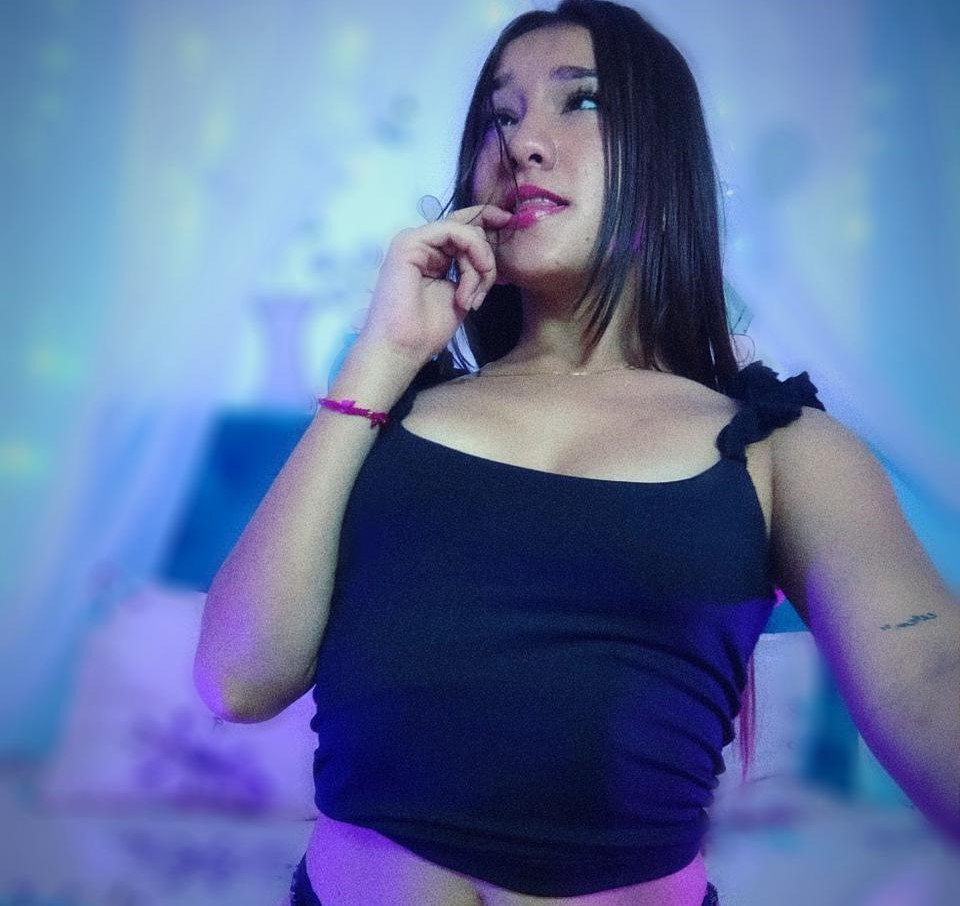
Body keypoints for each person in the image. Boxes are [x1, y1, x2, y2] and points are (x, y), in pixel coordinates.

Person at [192, 2, 960, 904]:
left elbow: (929, 675)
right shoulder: (379, 415)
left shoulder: (779, 449)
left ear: (664, 156)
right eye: (500, 116)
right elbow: (236, 679)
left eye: (581, 100)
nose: (522, 144)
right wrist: (379, 358)